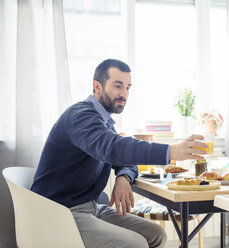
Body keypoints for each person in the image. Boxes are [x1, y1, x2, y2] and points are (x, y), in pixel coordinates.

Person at [30, 59, 208, 248]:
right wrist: (172, 151)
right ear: (96, 86)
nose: (124, 94)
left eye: (128, 87)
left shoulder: (102, 121)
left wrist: (123, 176)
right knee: (136, 244)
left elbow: (124, 157)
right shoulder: (81, 116)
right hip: (60, 212)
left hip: (91, 207)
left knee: (156, 235)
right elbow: (114, 147)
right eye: (117, 86)